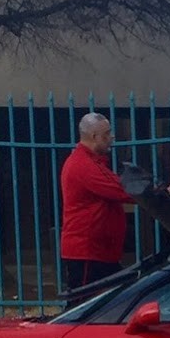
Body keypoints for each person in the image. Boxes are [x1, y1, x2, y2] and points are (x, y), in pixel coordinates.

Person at [59, 112, 136, 307]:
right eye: (107, 134)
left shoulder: (91, 163)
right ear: (94, 137)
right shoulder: (84, 166)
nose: (112, 138)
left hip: (99, 252)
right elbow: (121, 190)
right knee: (80, 306)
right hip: (87, 252)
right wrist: (155, 194)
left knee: (121, 295)